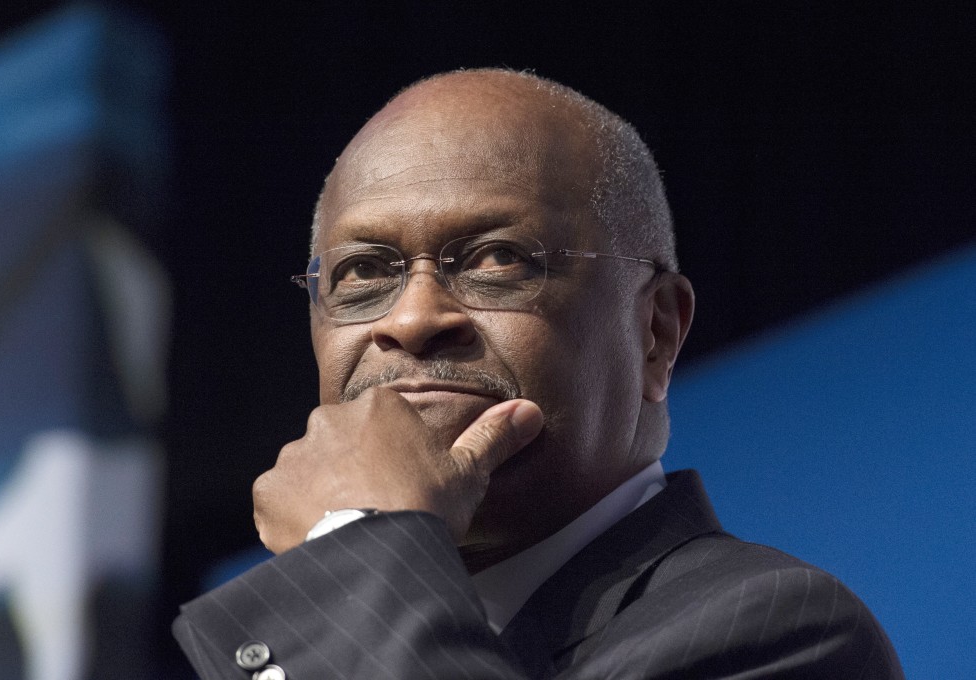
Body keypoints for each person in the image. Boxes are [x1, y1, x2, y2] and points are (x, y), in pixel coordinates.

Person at [174, 69, 903, 679]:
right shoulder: (273, 642)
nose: (413, 318)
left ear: (656, 333)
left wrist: (357, 542)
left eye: (499, 259)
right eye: (364, 272)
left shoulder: (782, 632)